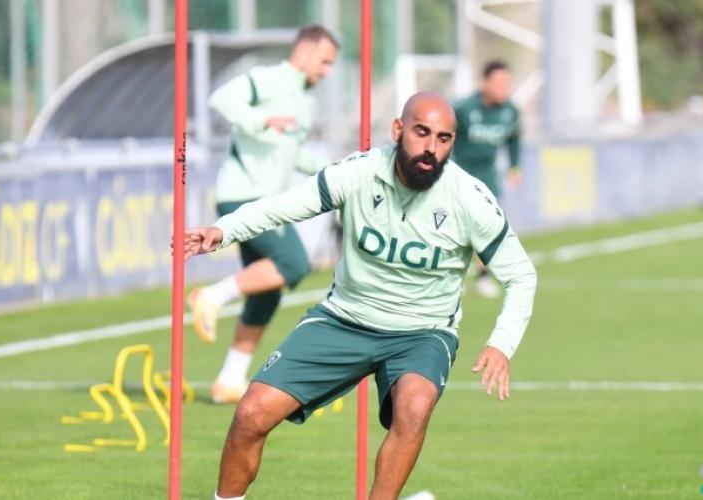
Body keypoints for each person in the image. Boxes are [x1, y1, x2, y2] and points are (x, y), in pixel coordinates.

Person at [184, 91, 537, 500]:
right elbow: (283, 206)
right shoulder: (359, 172)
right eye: (422, 132)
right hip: (344, 319)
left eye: (443, 138)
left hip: (422, 333)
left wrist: (501, 344)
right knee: (251, 413)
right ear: (398, 129)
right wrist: (224, 230)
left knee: (415, 406)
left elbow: (521, 275)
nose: (431, 148)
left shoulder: (469, 198)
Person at [187, 24, 339, 404]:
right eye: (324, 62)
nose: (327, 71)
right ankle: (211, 296)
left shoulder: (306, 102)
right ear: (304, 52)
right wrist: (261, 120)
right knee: (294, 264)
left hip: (267, 202)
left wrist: (334, 174)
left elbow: (292, 153)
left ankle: (229, 381)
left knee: (266, 294)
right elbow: (221, 99)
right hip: (242, 196)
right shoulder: (269, 79)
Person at [452, 60, 523, 298]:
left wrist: (515, 165)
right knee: (456, 230)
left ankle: (483, 277)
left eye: (507, 84)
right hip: (459, 175)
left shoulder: (510, 111)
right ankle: (450, 277)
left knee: (487, 228)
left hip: (488, 177)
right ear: (485, 83)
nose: (504, 89)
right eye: (498, 84)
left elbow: (513, 139)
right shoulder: (463, 109)